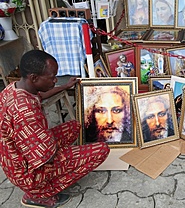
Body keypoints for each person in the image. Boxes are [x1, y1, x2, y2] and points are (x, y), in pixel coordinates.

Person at [0, 50, 110, 208]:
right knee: (101, 150)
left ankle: (46, 180)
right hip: (27, 172)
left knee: (75, 126)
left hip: (17, 159)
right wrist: (71, 157)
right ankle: (40, 194)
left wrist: (65, 86)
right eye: (52, 77)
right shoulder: (26, 114)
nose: (55, 80)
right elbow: (46, 157)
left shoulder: (15, 88)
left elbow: (40, 96)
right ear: (34, 78)